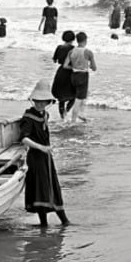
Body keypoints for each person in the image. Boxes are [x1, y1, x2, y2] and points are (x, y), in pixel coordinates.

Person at [18, 79, 70, 227]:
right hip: (36, 157)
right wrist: (40, 147)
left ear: (48, 101)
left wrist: (45, 149)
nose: (40, 103)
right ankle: (45, 223)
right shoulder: (28, 117)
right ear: (33, 100)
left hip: (46, 157)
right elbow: (24, 138)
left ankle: (64, 220)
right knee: (41, 188)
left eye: (44, 101)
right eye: (38, 100)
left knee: (52, 186)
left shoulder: (45, 115)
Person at [64, 32, 97, 123]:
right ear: (85, 40)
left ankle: (81, 114)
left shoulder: (71, 51)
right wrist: (89, 66)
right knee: (79, 99)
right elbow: (94, 68)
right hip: (83, 75)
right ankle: (74, 120)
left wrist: (74, 67)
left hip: (73, 75)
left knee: (83, 95)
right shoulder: (88, 52)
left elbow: (65, 65)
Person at [52, 30, 77, 120]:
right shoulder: (74, 49)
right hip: (70, 72)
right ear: (73, 39)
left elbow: (55, 60)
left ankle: (62, 117)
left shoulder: (59, 47)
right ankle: (67, 110)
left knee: (61, 97)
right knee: (74, 95)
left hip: (61, 72)